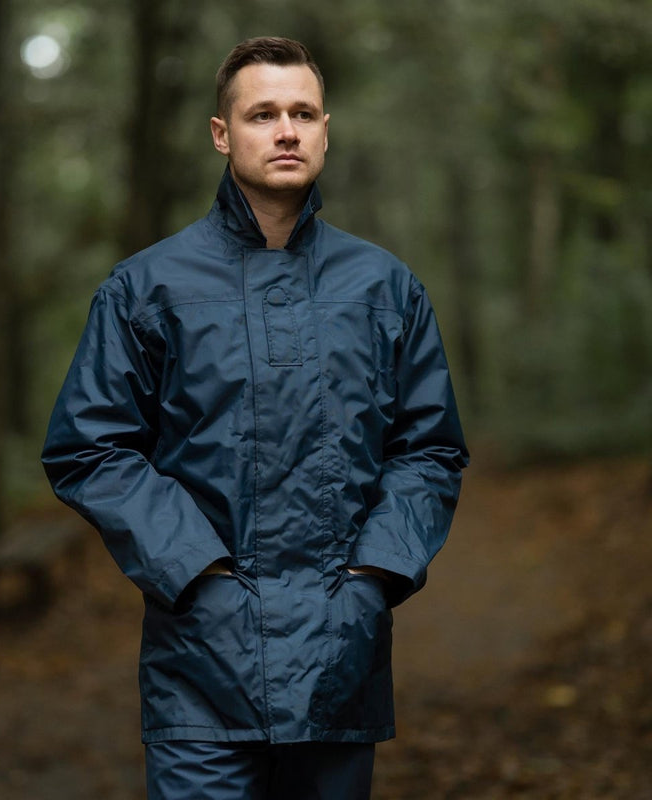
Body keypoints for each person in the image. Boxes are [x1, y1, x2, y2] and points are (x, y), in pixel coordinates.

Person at [42, 36, 468, 800]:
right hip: (199, 670)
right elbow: (89, 447)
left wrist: (374, 578)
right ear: (221, 133)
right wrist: (199, 576)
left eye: (303, 113)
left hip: (344, 661)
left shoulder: (385, 287)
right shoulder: (147, 288)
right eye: (262, 113)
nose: (285, 130)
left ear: (326, 130)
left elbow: (430, 448)